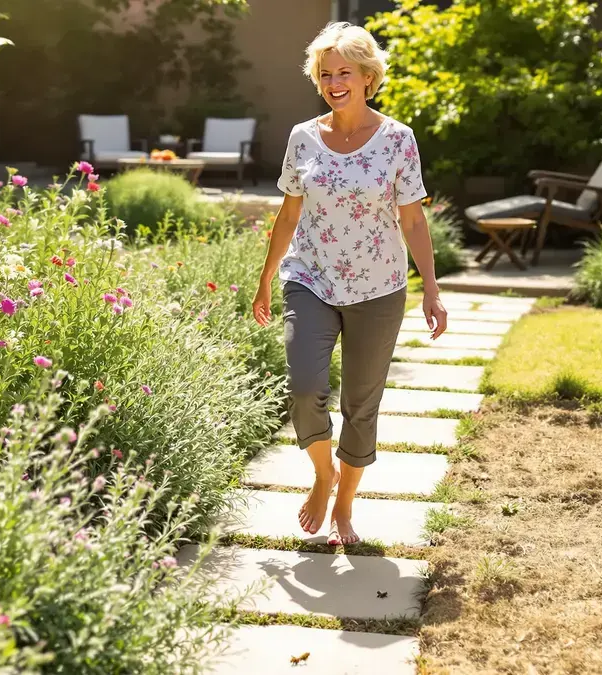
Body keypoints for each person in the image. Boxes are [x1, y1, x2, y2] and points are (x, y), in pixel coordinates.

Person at [251, 21, 448, 546]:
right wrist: (266, 279)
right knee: (305, 387)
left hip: (379, 287)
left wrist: (431, 288)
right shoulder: (303, 137)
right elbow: (288, 215)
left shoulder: (398, 139)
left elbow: (412, 220)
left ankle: (344, 504)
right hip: (310, 278)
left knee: (361, 404)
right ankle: (324, 475)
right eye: (325, 74)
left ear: (367, 77)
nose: (334, 83)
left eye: (344, 73)